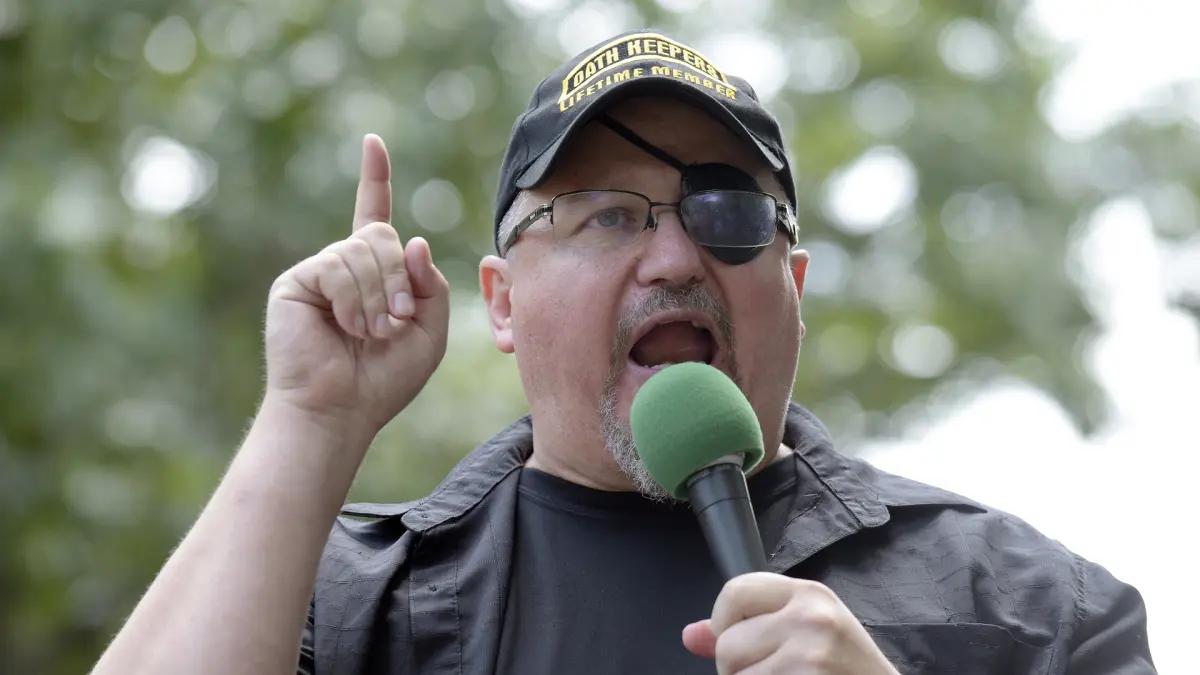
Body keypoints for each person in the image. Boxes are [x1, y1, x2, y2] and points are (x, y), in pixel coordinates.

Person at [90, 29, 1156, 675]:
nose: (676, 255)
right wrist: (310, 419)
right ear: (502, 303)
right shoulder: (343, 603)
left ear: (793, 287)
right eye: (604, 214)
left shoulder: (1033, 610)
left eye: (728, 212)